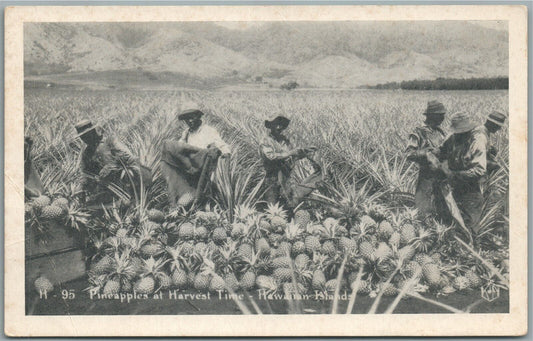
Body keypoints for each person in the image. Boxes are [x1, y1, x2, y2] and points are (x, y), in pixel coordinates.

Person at [161, 109, 230, 206]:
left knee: (203, 191)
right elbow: (180, 146)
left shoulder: (208, 130)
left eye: (192, 117)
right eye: (186, 119)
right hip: (191, 167)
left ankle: (203, 201)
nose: (189, 121)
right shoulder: (186, 133)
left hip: (204, 165)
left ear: (198, 117)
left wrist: (225, 152)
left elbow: (220, 144)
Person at [75, 120, 151, 208]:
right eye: (82, 137)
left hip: (126, 184)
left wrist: (112, 165)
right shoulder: (87, 153)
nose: (84, 139)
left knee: (129, 203)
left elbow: (128, 157)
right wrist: (81, 187)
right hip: (107, 188)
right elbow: (86, 173)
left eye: (86, 135)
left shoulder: (110, 142)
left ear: (92, 132)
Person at [435, 112, 488, 235]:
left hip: (470, 187)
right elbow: (441, 152)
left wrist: (455, 175)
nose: (460, 135)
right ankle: (457, 245)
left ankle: (472, 247)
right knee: (452, 220)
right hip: (453, 185)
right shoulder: (452, 137)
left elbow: (479, 170)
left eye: (463, 132)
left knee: (470, 223)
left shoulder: (476, 141)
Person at [260, 115, 317, 207]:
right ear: (271, 126)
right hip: (272, 177)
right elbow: (271, 156)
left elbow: (292, 157)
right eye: (276, 124)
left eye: (280, 125)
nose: (278, 127)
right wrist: (291, 152)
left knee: (288, 204)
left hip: (285, 176)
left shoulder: (285, 140)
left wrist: (304, 152)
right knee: (272, 206)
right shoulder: (266, 141)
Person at [405, 100, 448, 218]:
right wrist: (426, 153)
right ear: (432, 116)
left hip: (441, 175)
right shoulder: (418, 132)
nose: (443, 118)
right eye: (440, 115)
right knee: (423, 209)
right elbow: (409, 154)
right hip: (426, 176)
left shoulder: (440, 132)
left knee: (443, 209)